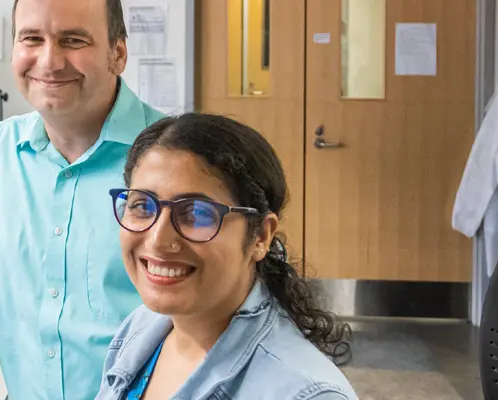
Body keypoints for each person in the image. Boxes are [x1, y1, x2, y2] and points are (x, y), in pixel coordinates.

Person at [0, 0, 164, 397]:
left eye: (73, 40)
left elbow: (224, 324)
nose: (49, 60)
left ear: (118, 53)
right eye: (31, 38)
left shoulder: (177, 161)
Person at [95, 113, 356, 399]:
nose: (158, 240)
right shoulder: (141, 328)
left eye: (196, 212)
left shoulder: (304, 393)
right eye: (142, 205)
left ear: (260, 236)